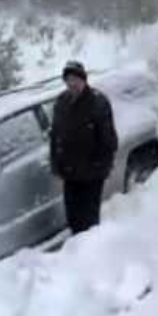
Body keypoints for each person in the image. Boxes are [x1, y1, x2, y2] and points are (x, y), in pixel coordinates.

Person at [50, 61, 118, 235]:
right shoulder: (61, 102)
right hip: (70, 173)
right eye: (68, 79)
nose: (72, 83)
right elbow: (55, 135)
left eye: (76, 79)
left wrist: (101, 166)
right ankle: (78, 253)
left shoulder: (98, 102)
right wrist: (56, 164)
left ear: (83, 79)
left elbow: (109, 140)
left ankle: (93, 253)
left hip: (91, 174)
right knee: (73, 217)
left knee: (89, 221)